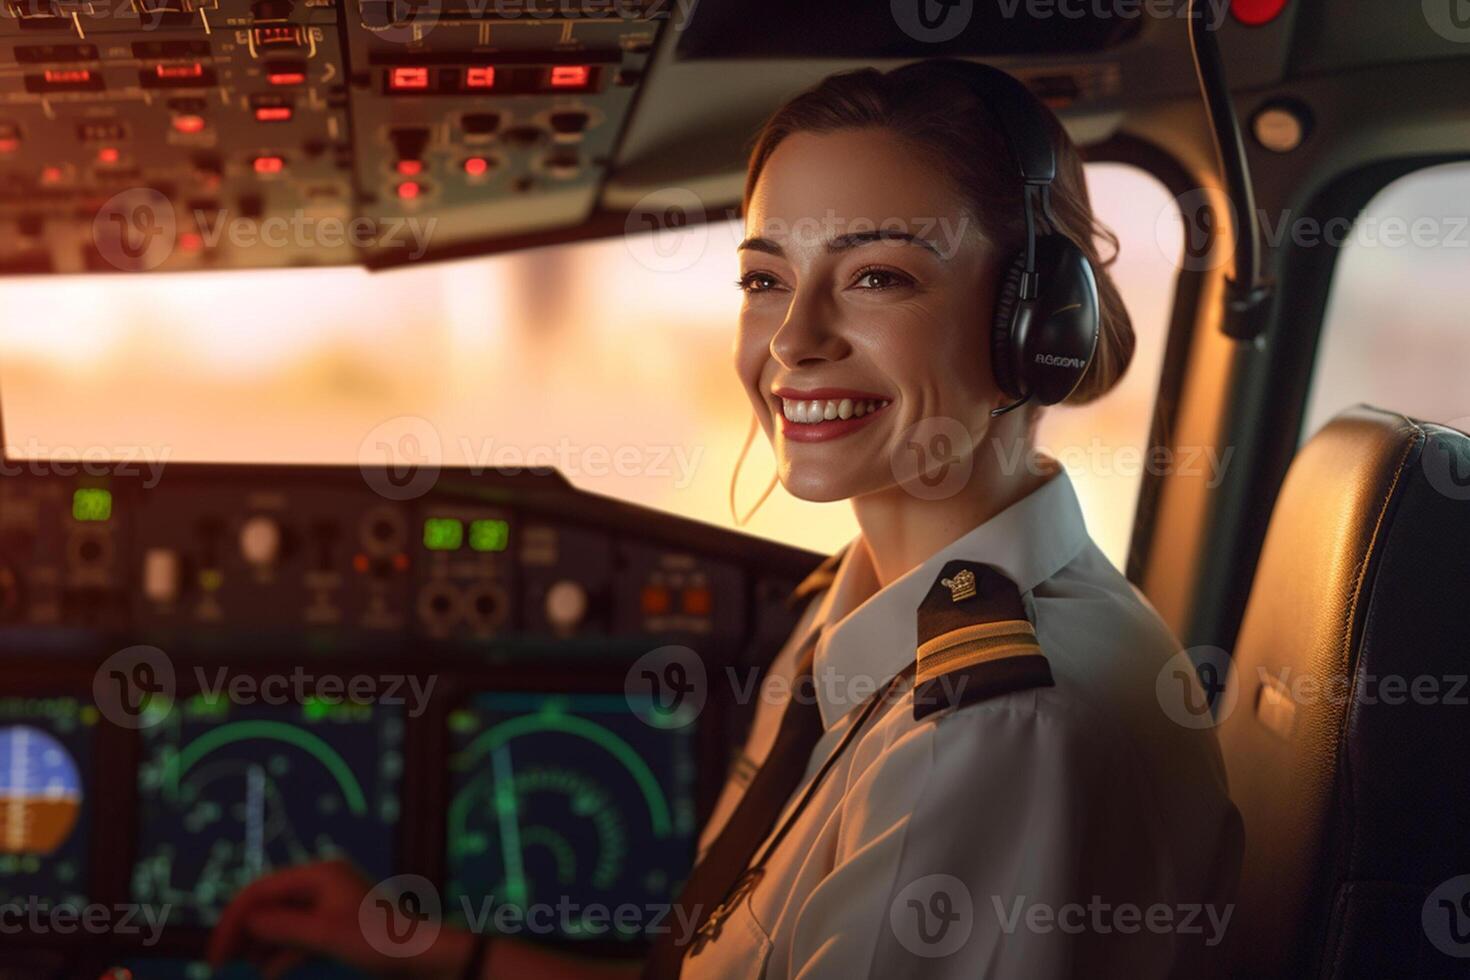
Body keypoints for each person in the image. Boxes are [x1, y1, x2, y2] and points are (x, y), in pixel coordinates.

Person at [209, 59, 1241, 979]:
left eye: (878, 275)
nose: (794, 339)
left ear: (1035, 324)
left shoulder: (990, 731)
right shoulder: (856, 615)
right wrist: (434, 948)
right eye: (765, 279)